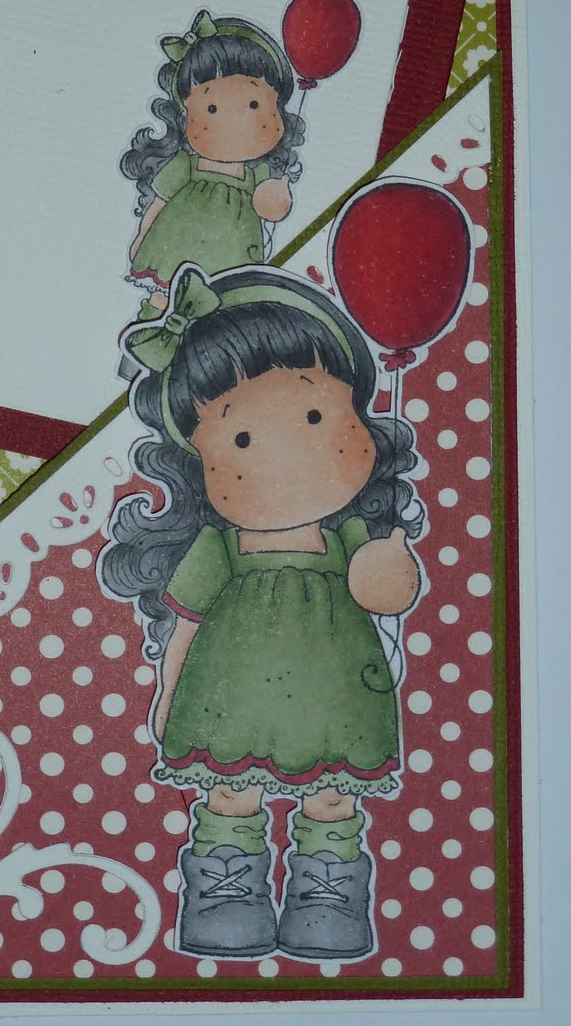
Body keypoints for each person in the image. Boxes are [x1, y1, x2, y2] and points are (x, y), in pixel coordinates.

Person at [99, 265, 424, 961]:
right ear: (201, 464)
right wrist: (168, 692)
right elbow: (185, 622)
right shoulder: (218, 547)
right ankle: (225, 894)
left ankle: (328, 896)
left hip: (336, 696)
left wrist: (390, 566)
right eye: (242, 441)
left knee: (333, 799)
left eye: (315, 417)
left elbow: (384, 593)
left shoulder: (350, 536)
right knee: (230, 796)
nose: (287, 453)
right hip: (230, 698)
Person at [122, 11, 303, 316]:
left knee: (223, 311)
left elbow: (271, 209)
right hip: (177, 252)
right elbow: (158, 203)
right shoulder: (185, 166)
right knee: (164, 301)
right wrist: (141, 237)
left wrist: (279, 191)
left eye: (254, 104)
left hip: (231, 259)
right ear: (185, 114)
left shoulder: (258, 174)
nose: (234, 122)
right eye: (213, 108)